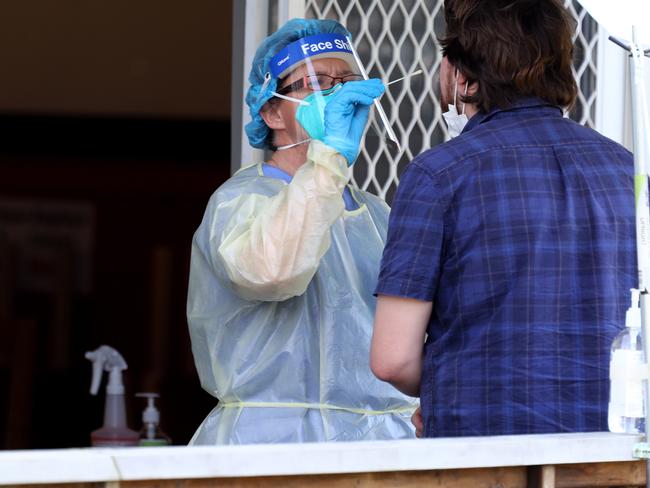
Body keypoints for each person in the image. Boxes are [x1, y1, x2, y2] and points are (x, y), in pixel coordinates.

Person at [370, 0, 636, 438]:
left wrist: (443, 389)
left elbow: (392, 358)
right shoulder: (628, 169)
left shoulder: (438, 175)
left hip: (484, 455)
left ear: (463, 77)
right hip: (608, 453)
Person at [187, 18, 416, 444]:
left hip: (382, 447)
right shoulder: (240, 201)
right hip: (269, 447)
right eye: (315, 82)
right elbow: (271, 271)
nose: (336, 92)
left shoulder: (377, 215)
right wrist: (327, 158)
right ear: (271, 111)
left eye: (346, 80)